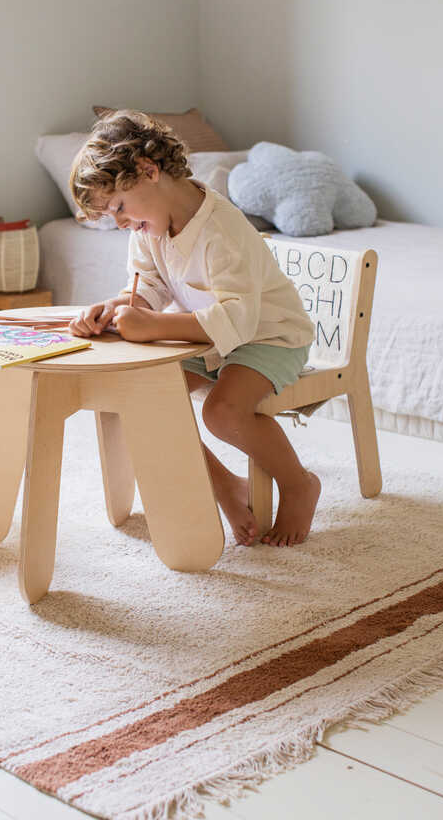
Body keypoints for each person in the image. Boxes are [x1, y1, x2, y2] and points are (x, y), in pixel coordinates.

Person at [68, 109, 320, 548]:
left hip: (269, 336)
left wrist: (154, 327)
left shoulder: (221, 229)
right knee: (144, 399)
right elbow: (146, 287)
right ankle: (225, 485)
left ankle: (298, 484)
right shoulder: (149, 229)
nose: (122, 223)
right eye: (113, 217)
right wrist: (110, 311)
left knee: (221, 413)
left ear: (148, 171)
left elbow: (239, 320)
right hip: (213, 341)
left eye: (120, 208)